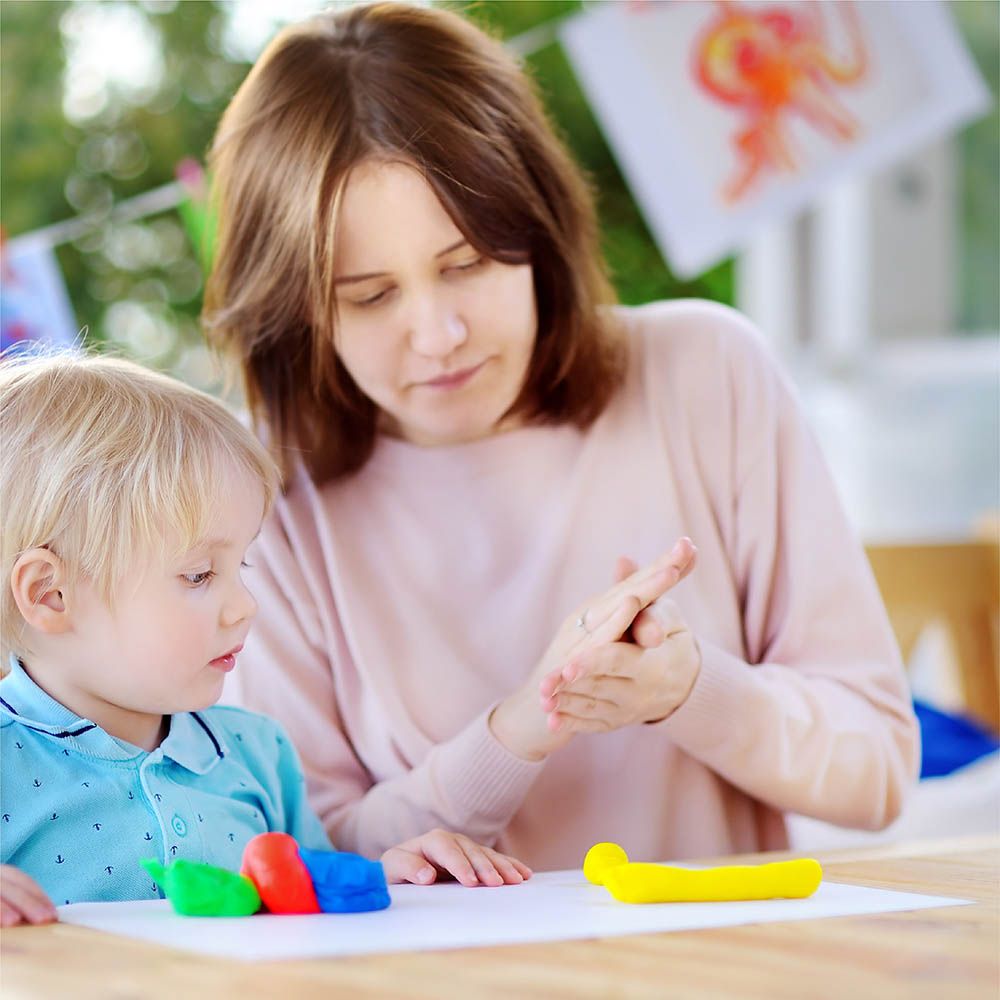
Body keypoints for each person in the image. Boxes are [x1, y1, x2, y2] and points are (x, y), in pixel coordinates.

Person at [203, 2, 920, 873]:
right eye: (370, 295)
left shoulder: (704, 371)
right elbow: (308, 857)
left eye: (466, 264)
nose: (437, 334)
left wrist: (688, 690)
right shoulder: (261, 489)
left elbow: (878, 770)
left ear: (535, 233)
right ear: (294, 311)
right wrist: (516, 733)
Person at [0, 352, 532, 928]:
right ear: (51, 595)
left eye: (241, 566)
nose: (245, 606)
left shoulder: (257, 754)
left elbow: (305, 904)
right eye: (198, 574)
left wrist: (391, 878)